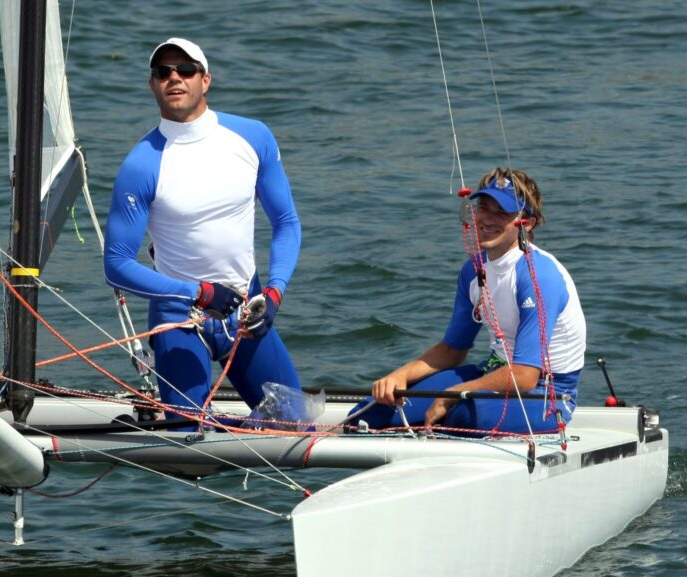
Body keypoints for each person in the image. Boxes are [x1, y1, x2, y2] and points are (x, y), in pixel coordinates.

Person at [103, 38, 303, 420]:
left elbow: (287, 223)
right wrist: (197, 292)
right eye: (163, 72)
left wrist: (275, 292)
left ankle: (241, 429)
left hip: (247, 311)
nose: (174, 78)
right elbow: (116, 264)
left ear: (205, 80)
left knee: (297, 425)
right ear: (152, 85)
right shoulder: (141, 164)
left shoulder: (253, 137)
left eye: (186, 70)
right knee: (190, 436)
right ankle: (207, 423)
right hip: (178, 317)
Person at [350, 168, 586, 434]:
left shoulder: (538, 276)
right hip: (494, 372)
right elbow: (453, 349)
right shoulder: (473, 270)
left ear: (526, 223)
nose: (487, 219)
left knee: (461, 414)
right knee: (371, 412)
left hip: (548, 394)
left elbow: (525, 376)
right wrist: (400, 376)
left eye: (502, 212)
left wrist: (456, 392)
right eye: (484, 208)